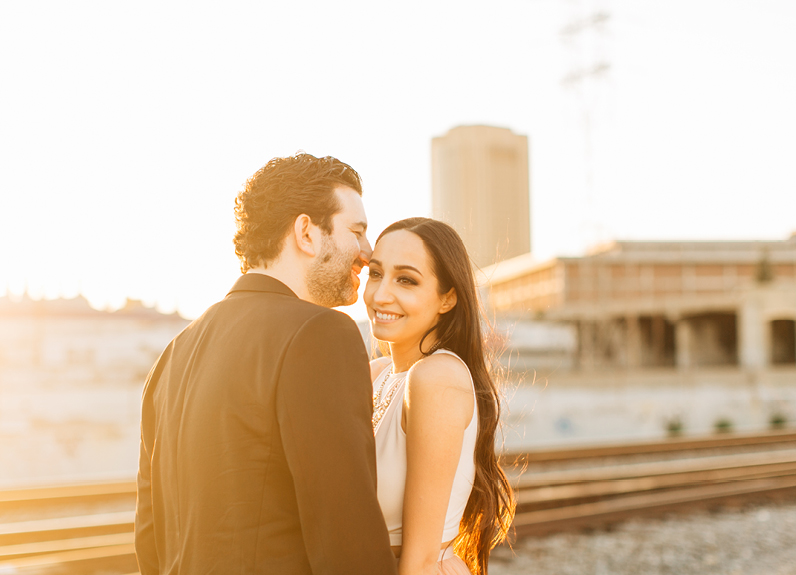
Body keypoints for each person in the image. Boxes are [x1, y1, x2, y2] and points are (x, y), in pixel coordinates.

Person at [135, 153, 398, 575]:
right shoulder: (321, 334)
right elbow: (346, 538)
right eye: (357, 231)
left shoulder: (172, 355)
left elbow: (150, 541)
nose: (367, 252)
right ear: (307, 232)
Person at [364, 217, 516, 575]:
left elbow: (418, 561)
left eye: (406, 280)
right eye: (374, 274)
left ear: (447, 298)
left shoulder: (436, 377)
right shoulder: (375, 374)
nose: (381, 294)